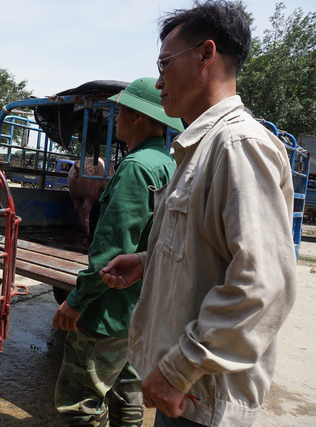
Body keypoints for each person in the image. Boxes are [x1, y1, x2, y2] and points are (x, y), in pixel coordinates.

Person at [100, 2, 297, 426]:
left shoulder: (237, 145)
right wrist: (148, 262)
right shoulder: (201, 149)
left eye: (164, 64)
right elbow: (214, 253)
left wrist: (178, 369)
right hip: (188, 395)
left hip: (202, 399)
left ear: (206, 55)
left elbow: (265, 283)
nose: (158, 81)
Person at [53, 77, 184, 426]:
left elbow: (112, 252)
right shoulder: (167, 163)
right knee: (128, 389)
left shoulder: (136, 167)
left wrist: (77, 300)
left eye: (122, 110)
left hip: (106, 309)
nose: (117, 117)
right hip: (137, 307)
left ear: (140, 117)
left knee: (79, 400)